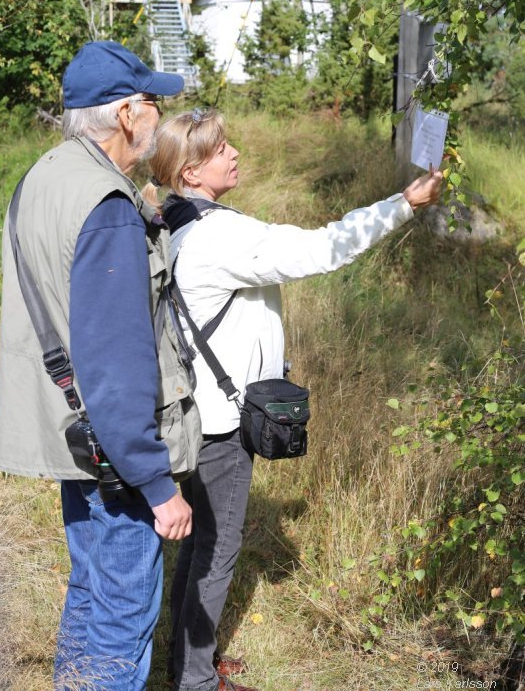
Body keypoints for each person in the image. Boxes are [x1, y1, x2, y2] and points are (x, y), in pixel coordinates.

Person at [143, 108, 443, 691]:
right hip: (222, 424)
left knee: (203, 539)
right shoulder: (218, 234)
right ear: (191, 170)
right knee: (217, 549)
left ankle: (186, 659)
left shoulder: (175, 221)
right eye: (220, 148)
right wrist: (405, 203)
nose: (234, 153)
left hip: (194, 412)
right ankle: (197, 680)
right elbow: (323, 249)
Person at [0, 41, 202, 690]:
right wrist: (157, 484)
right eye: (150, 104)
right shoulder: (106, 204)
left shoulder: (44, 175)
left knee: (89, 590)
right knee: (121, 613)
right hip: (115, 450)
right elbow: (115, 361)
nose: (158, 119)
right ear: (124, 114)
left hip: (72, 433)